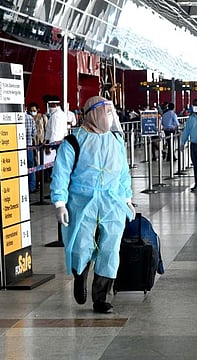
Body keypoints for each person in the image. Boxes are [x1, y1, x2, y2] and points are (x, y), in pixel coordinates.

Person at [50, 96, 135, 313]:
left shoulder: (116, 140)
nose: (109, 116)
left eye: (110, 111)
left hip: (112, 201)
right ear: (91, 113)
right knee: (81, 244)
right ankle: (80, 275)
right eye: (104, 111)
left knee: (110, 248)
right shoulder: (73, 141)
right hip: (81, 201)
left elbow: (123, 173)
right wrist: (60, 203)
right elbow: (61, 174)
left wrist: (127, 198)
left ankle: (101, 297)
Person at [180, 98, 197, 192]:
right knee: (196, 166)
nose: (194, 107)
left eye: (196, 105)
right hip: (194, 144)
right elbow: (186, 131)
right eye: (193, 105)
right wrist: (182, 143)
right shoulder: (191, 118)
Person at [24, 108, 37, 193]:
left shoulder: (15, 118)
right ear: (26, 108)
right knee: (31, 166)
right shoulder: (30, 118)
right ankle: (31, 187)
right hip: (29, 146)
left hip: (17, 148)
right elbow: (34, 132)